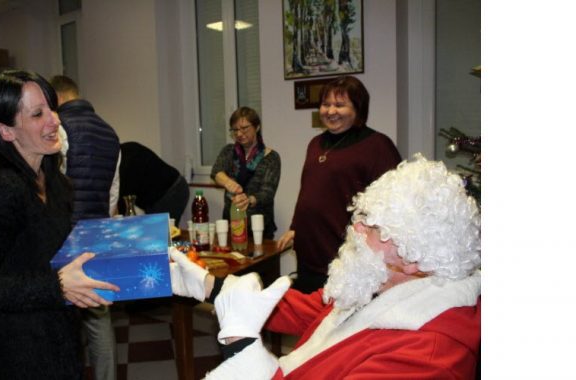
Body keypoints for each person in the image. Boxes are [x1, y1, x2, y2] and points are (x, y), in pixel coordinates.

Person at [170, 154, 481, 379]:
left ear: (415, 257)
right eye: (360, 216)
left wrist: (242, 344)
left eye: (371, 225)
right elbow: (303, 308)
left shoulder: (428, 358)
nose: (355, 228)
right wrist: (207, 284)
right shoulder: (377, 284)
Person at [0, 70, 120, 379]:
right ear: (6, 131)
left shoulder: (56, 183)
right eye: (38, 114)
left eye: (52, 109)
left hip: (56, 340)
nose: (55, 120)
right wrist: (56, 286)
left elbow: (48, 258)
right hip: (13, 352)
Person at [277, 76, 401, 293]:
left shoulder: (378, 146)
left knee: (339, 325)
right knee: (310, 321)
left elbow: (392, 206)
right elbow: (309, 189)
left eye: (340, 105)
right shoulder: (316, 144)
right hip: (309, 255)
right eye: (326, 104)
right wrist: (296, 227)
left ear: (358, 108)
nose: (330, 111)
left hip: (346, 261)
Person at [50, 74, 120, 380]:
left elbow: (53, 184)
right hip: (96, 233)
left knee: (62, 317)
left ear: (57, 98)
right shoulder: (110, 133)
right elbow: (113, 194)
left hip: (63, 233)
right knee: (98, 312)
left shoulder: (58, 130)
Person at [211, 107, 281, 239]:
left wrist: (248, 200)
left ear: (257, 127)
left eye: (244, 128)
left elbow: (267, 193)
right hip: (231, 224)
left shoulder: (271, 157)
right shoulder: (228, 151)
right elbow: (216, 172)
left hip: (258, 228)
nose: (239, 133)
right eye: (235, 130)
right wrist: (228, 182)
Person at [118, 141, 190, 225]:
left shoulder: (127, 160)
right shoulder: (127, 149)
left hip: (171, 191)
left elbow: (125, 201)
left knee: (162, 232)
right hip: (170, 188)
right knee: (160, 231)